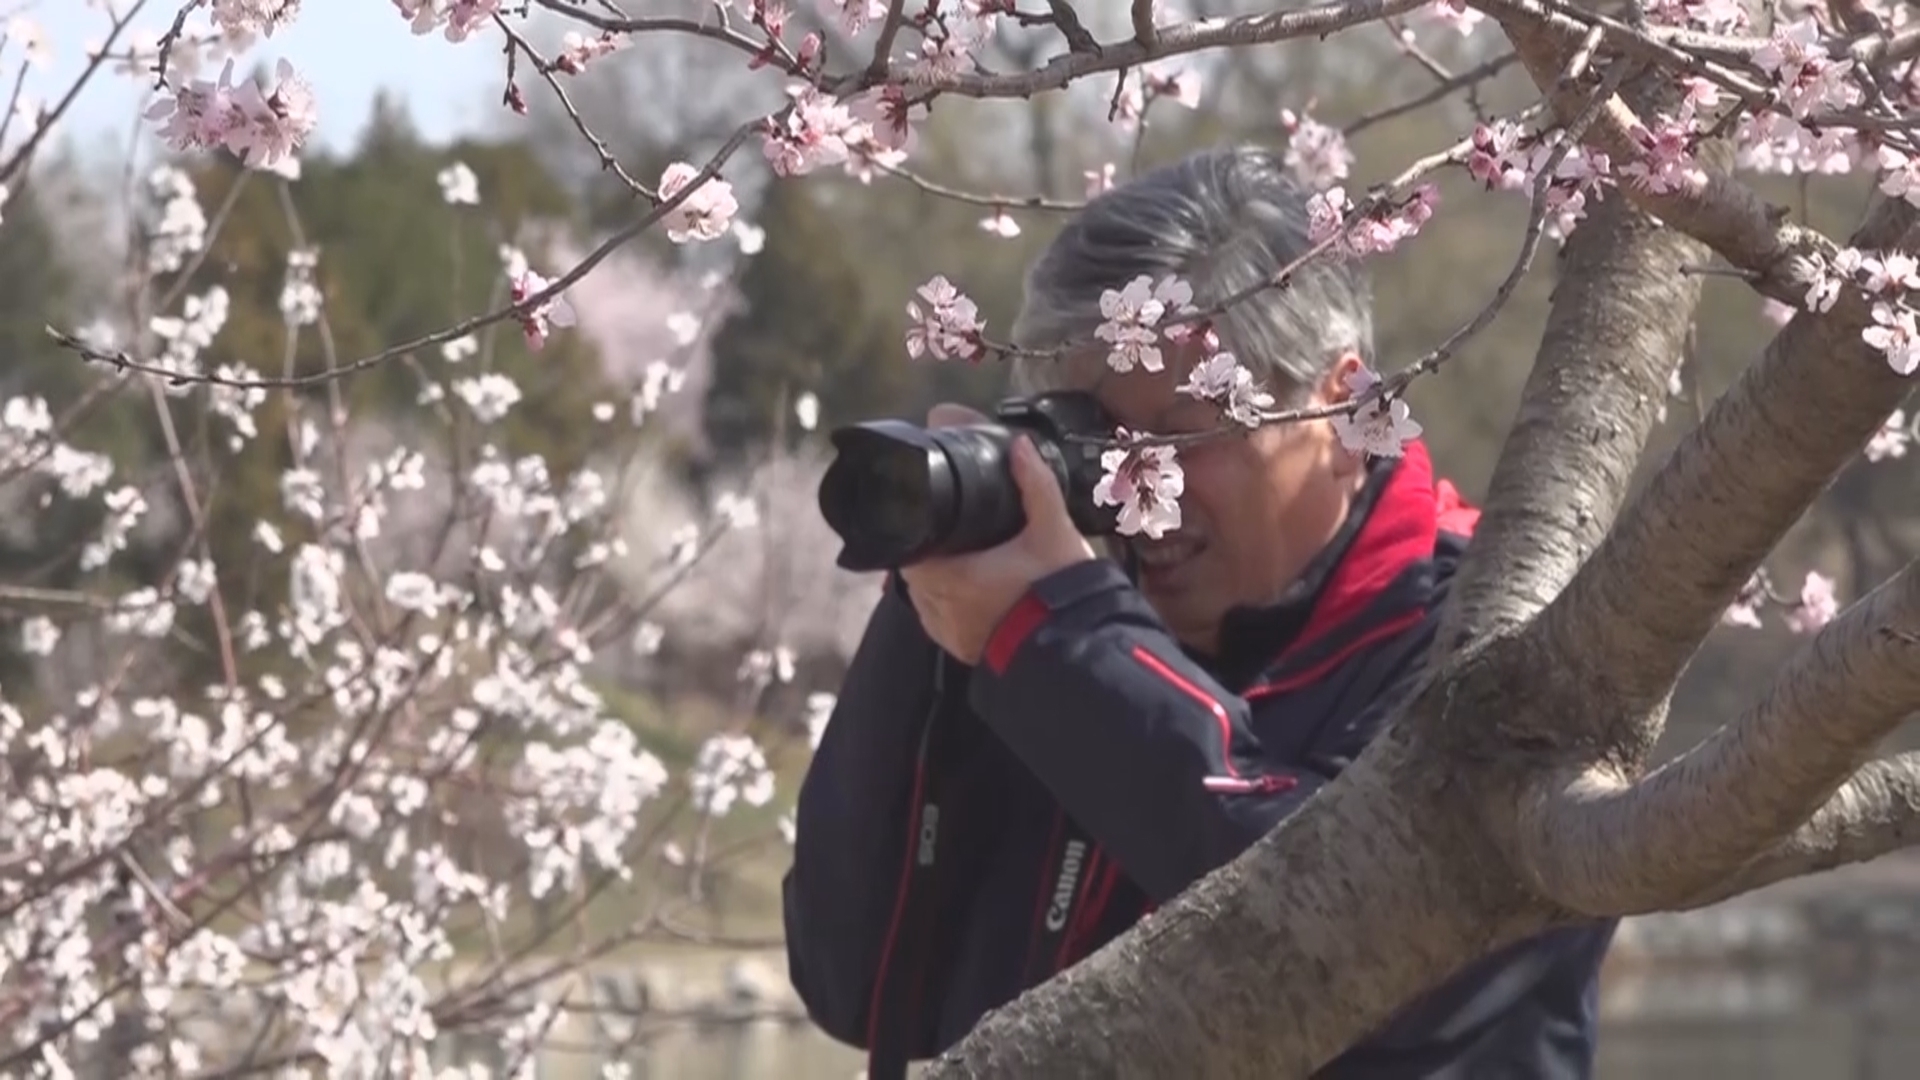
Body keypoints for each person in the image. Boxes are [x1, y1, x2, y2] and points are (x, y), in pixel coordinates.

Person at [782, 144, 1617, 1079]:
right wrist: (936, 586)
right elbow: (850, 977)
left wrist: (1056, 643)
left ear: (1344, 413)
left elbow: (1341, 928)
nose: (1143, 489)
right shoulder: (1058, 634)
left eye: (1187, 436)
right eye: (1099, 441)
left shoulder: (1497, 646)